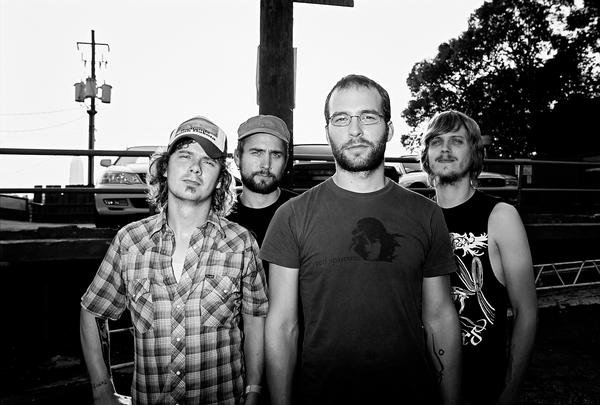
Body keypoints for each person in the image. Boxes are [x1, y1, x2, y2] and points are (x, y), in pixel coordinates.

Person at [262, 74, 461, 405]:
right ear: (328, 131)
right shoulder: (292, 215)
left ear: (389, 129)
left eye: (367, 117)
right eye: (341, 119)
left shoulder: (426, 214)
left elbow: (440, 316)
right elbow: (282, 325)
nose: (355, 130)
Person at [80, 116, 269, 405]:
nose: (195, 167)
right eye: (185, 156)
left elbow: (255, 319)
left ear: (221, 179)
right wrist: (101, 390)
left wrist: (254, 390)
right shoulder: (130, 241)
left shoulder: (241, 243)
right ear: (165, 168)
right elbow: (93, 311)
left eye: (208, 161)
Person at [421, 110, 538, 405]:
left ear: (474, 153)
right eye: (436, 141)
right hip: (421, 381)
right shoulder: (415, 218)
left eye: (456, 141)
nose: (445, 149)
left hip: (483, 385)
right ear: (426, 155)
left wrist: (510, 391)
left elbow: (526, 311)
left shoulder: (500, 216)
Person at [227, 114, 296, 253]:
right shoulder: (222, 217)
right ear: (237, 157)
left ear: (285, 161)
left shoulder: (302, 211)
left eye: (276, 155)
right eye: (257, 153)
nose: (266, 164)